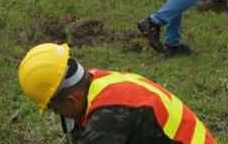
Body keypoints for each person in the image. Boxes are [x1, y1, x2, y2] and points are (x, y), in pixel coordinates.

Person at [17, 43, 217, 143]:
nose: (59, 115)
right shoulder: (95, 81)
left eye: (55, 109)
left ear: (71, 99)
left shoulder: (108, 116)